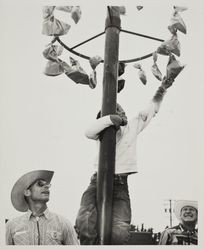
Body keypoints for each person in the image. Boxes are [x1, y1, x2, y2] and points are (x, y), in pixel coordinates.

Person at [75, 74, 175, 245]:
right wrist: (109, 119)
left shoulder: (131, 127)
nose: (120, 114)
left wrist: (163, 87)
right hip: (97, 180)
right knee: (84, 220)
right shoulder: (101, 132)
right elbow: (88, 132)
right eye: (115, 113)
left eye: (121, 111)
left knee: (120, 230)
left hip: (120, 182)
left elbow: (152, 108)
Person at [6, 170, 79, 245]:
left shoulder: (64, 224)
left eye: (47, 185)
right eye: (40, 184)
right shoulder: (11, 226)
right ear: (27, 192)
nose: (46, 187)